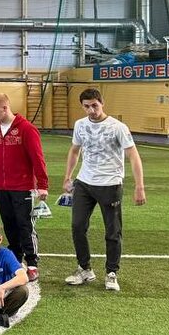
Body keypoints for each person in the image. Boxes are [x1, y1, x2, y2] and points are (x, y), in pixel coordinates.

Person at [63, 88, 146, 293]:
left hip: (110, 184)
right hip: (84, 183)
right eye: (86, 106)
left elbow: (133, 155)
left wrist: (139, 186)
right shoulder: (80, 125)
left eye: (95, 105)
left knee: (112, 231)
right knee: (77, 226)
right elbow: (75, 150)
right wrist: (68, 176)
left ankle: (111, 272)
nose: (91, 110)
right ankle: (84, 269)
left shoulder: (118, 127)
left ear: (102, 103)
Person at [0, 93, 49, 282]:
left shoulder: (27, 129)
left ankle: (32, 263)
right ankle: (16, 261)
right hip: (1, 187)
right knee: (9, 224)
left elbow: (37, 157)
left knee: (25, 224)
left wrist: (42, 185)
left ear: (5, 108)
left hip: (23, 186)